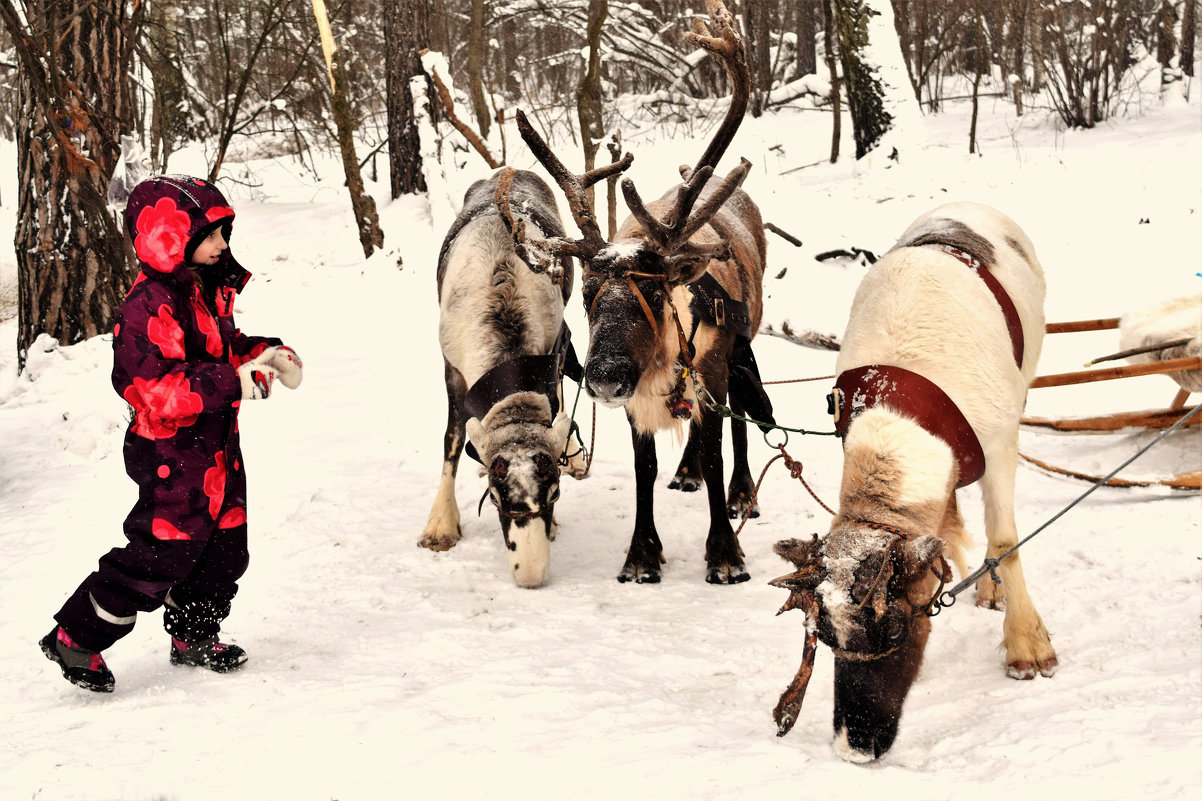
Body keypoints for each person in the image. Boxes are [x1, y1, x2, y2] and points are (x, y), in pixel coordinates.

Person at [40, 175, 303, 693]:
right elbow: (148, 387)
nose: (223, 246)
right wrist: (233, 382)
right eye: (211, 236)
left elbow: (222, 349)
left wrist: (264, 354)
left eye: (224, 234)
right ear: (168, 238)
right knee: (163, 553)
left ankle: (193, 634)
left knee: (226, 548)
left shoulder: (206, 290)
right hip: (170, 451)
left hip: (217, 448)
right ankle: (77, 634)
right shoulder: (149, 304)